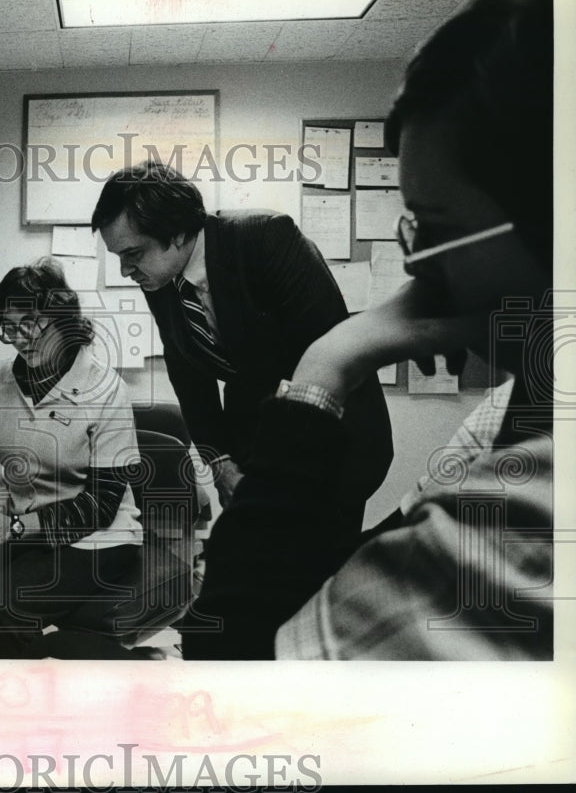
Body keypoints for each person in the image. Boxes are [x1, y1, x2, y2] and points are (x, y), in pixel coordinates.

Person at [182, 0, 553, 660]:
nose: (416, 263)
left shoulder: (538, 499)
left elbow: (230, 655)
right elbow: (357, 572)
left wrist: (329, 359)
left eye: (435, 227)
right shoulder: (505, 413)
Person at [92, 163, 394, 536]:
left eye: (133, 254)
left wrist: (280, 478)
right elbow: (189, 376)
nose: (125, 270)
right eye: (119, 256)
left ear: (177, 231)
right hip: (255, 437)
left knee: (320, 570)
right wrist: (220, 463)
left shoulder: (265, 237)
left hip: (337, 436)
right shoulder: (160, 278)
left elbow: (330, 352)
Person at [0, 258, 144, 658]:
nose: (20, 337)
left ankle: (20, 708)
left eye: (31, 322)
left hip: (99, 540)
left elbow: (100, 507)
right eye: (8, 326)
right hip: (30, 530)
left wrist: (15, 525)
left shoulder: (106, 389)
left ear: (62, 320)